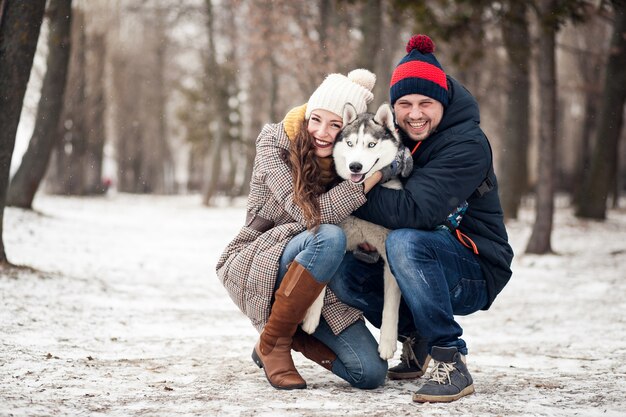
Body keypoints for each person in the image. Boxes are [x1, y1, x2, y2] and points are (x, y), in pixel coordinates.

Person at [330, 34, 514, 403]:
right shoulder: (399, 141)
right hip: (425, 259)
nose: (415, 113)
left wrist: (344, 192)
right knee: (345, 271)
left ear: (443, 102)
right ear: (393, 109)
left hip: (473, 266)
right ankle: (417, 342)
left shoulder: (466, 144)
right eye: (405, 103)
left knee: (405, 241)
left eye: (425, 103)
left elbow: (414, 213)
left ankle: (449, 358)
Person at [215, 69, 411, 390]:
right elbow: (312, 215)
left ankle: (280, 332)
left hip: (314, 276)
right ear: (306, 113)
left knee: (370, 373)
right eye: (316, 119)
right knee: (329, 235)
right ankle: (273, 344)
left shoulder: (346, 160)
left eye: (335, 125)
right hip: (261, 255)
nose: (322, 132)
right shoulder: (273, 144)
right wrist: (376, 175)